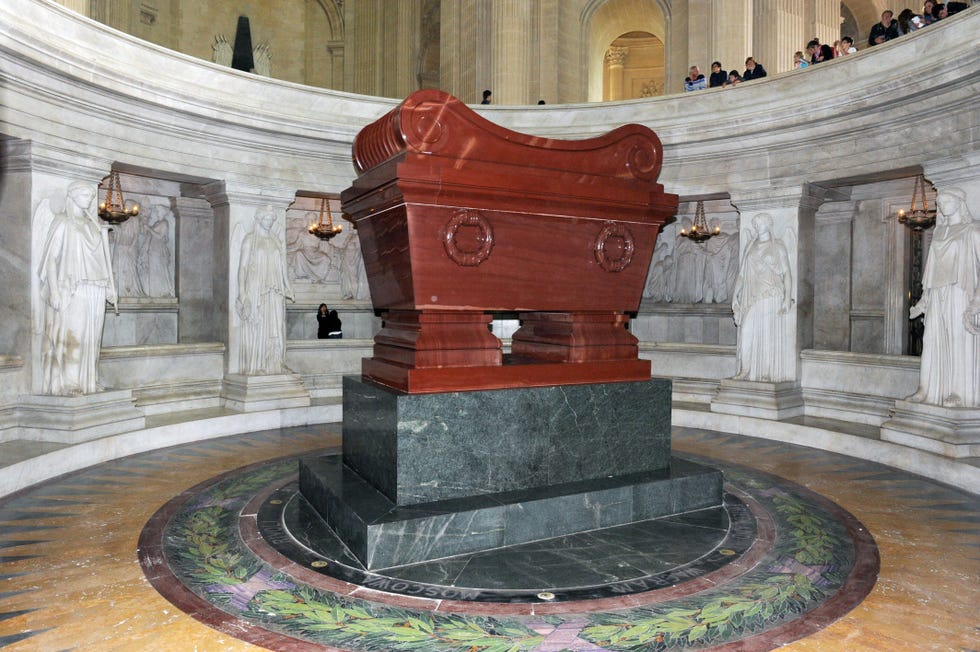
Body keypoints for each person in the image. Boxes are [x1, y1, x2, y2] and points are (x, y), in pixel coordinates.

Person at [37, 181, 118, 395]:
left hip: (96, 287)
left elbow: (101, 260)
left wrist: (109, 286)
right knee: (75, 335)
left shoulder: (93, 225)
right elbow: (51, 260)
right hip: (74, 287)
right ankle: (69, 382)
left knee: (92, 338)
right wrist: (53, 291)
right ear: (72, 196)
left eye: (91, 196)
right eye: (85, 194)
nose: (89, 199)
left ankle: (88, 381)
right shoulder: (63, 222)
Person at [907, 187, 980, 408]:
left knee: (957, 341)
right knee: (931, 341)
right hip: (937, 293)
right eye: (940, 201)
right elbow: (932, 272)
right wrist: (923, 302)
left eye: (948, 200)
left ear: (960, 202)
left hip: (959, 292)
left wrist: (977, 301)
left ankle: (957, 391)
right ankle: (925, 389)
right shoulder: (939, 232)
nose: (943, 204)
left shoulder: (972, 231)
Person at [732, 213, 794, 382]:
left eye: (760, 224)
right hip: (752, 295)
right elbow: (742, 275)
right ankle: (745, 370)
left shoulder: (778, 246)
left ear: (768, 225)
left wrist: (787, 298)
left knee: (767, 334)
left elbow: (787, 272)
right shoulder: (750, 246)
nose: (757, 227)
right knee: (746, 331)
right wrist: (734, 297)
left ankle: (766, 372)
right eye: (756, 224)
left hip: (771, 294)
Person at [236, 206, 295, 375]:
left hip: (275, 289)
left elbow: (283, 267)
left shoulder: (276, 240)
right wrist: (242, 293)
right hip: (256, 289)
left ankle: (277, 363)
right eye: (267, 219)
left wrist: (288, 287)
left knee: (276, 324)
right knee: (260, 325)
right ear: (259, 219)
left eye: (272, 219)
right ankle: (259, 365)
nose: (269, 222)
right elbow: (242, 268)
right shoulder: (250, 239)